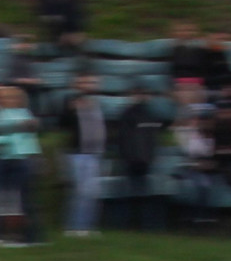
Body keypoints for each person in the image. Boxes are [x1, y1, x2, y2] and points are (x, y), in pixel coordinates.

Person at [0, 82, 42, 245]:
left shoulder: (24, 114)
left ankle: (32, 236)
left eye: (11, 97)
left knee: (27, 200)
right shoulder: (0, 115)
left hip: (21, 159)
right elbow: (7, 136)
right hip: (4, 158)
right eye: (5, 98)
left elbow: (12, 138)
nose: (7, 100)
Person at [58, 73, 108, 237]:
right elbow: (62, 124)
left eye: (92, 82)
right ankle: (74, 226)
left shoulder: (98, 102)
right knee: (79, 192)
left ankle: (88, 226)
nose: (88, 85)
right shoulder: (70, 100)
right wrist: (72, 109)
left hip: (95, 152)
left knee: (92, 192)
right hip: (78, 152)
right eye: (85, 82)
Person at [114, 81, 167, 230]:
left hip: (141, 160)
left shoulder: (148, 114)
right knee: (136, 193)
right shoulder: (134, 114)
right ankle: (137, 224)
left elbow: (151, 138)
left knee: (139, 193)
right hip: (136, 160)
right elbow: (125, 138)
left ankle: (137, 225)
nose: (141, 97)